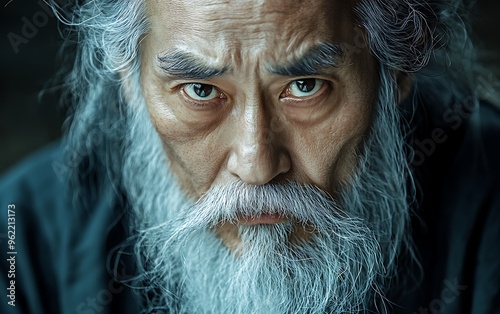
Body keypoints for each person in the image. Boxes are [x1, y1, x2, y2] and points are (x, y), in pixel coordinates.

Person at [1, 0, 499, 313]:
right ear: (130, 79)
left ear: (394, 73)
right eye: (199, 90)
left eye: (306, 87)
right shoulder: (23, 240)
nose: (257, 164)